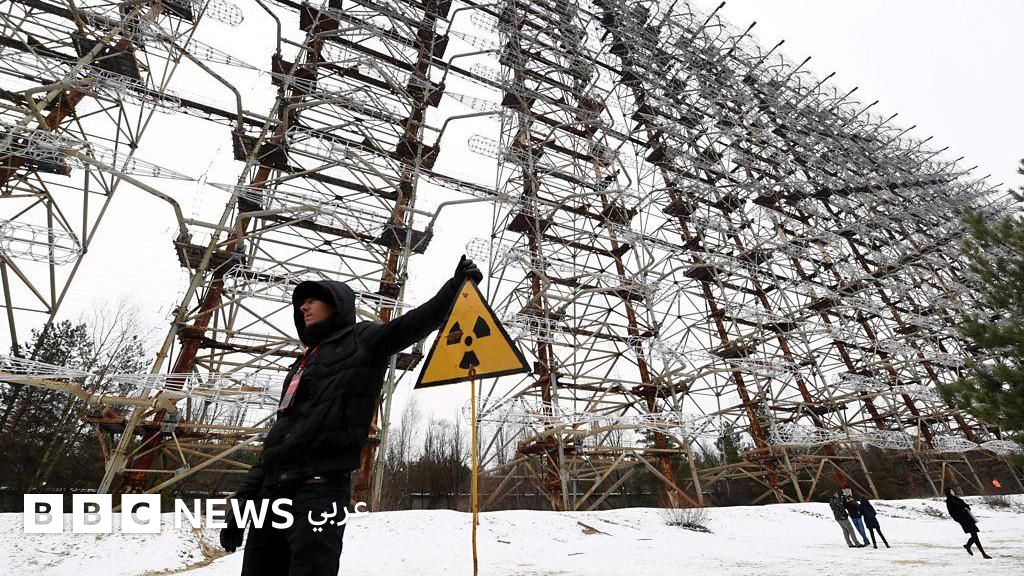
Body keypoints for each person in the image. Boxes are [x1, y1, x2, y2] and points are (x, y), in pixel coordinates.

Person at [219, 255, 484, 575]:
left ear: (337, 304)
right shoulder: (300, 366)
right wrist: (242, 504)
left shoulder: (363, 340)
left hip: (319, 491)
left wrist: (453, 290)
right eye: (301, 303)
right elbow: (274, 443)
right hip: (270, 495)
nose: (303, 307)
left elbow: (409, 325)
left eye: (312, 299)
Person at [945, 487, 991, 559]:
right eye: (951, 491)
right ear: (948, 492)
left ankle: (968, 546)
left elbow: (965, 505)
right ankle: (983, 554)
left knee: (974, 535)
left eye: (953, 491)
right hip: (963, 520)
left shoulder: (957, 498)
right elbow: (951, 512)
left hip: (968, 518)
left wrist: (967, 507)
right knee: (975, 535)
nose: (953, 492)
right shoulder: (949, 501)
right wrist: (958, 519)